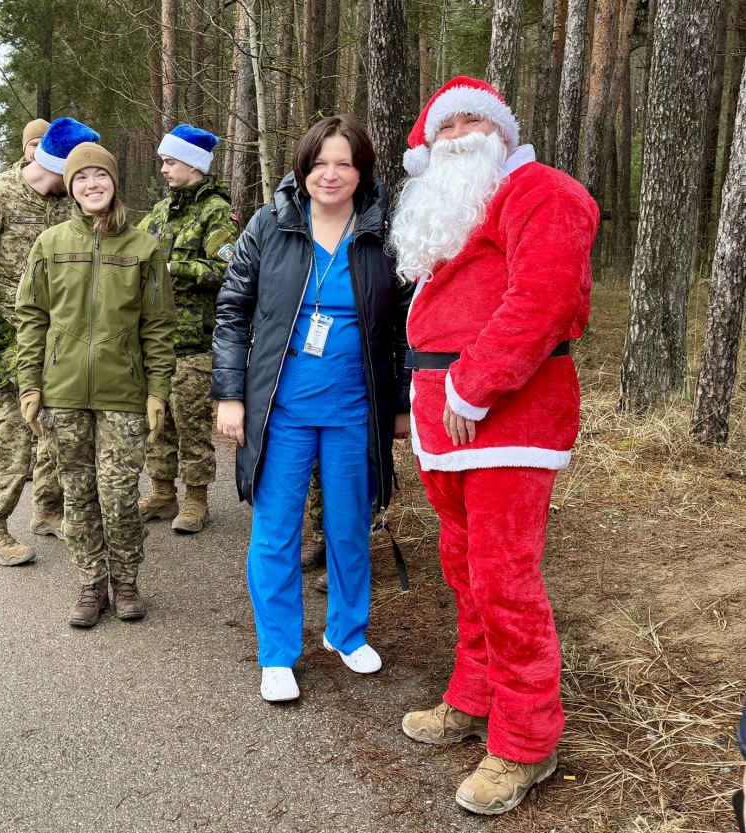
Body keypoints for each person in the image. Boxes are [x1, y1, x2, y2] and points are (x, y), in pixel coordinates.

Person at [388, 77, 598, 815]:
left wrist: (473, 386)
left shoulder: (541, 190)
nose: (459, 133)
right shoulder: (458, 214)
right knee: (465, 570)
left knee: (505, 580)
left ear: (504, 132)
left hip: (506, 417)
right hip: (449, 426)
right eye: (445, 126)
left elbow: (541, 300)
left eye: (474, 119)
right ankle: (473, 697)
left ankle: (526, 741)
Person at [212, 115, 412, 703]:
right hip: (282, 408)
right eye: (320, 162)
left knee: (349, 525)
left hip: (355, 408)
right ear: (303, 167)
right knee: (276, 532)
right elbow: (231, 312)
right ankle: (277, 651)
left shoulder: (384, 232)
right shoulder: (270, 225)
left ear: (362, 172)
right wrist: (228, 395)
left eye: (344, 163)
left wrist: (401, 404)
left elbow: (405, 325)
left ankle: (347, 633)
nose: (331, 174)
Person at [15, 142, 176, 627]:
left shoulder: (144, 247)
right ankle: (91, 582)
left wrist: (157, 392)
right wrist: (29, 385)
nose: (92, 185)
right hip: (62, 391)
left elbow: (159, 325)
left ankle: (126, 579)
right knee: (78, 492)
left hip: (123, 393)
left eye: (99, 176)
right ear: (70, 187)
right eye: (81, 178)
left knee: (120, 493)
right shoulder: (51, 243)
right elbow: (31, 317)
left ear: (112, 182)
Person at [0, 117, 100, 567]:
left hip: (62, 343)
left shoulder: (71, 203)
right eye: (77, 172)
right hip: (8, 341)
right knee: (10, 436)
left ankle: (50, 512)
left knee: (59, 434)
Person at [137, 124, 239, 534]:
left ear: (193, 165)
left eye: (170, 161)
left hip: (196, 343)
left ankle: (197, 499)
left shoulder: (216, 213)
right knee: (157, 422)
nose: (163, 169)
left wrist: (173, 266)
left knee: (192, 423)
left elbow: (229, 269)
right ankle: (162, 493)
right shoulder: (159, 213)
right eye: (163, 161)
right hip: (155, 340)